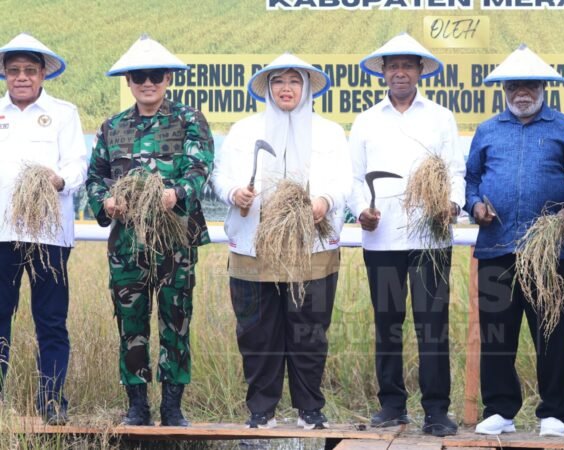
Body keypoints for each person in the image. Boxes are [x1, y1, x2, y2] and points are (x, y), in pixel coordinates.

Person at [211, 53, 351, 430]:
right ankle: (261, 410)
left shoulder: (330, 132)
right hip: (254, 247)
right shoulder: (243, 131)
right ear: (267, 89)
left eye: (293, 81)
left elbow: (343, 181)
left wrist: (324, 201)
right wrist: (234, 194)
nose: (285, 88)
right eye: (277, 81)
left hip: (312, 248)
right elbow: (220, 177)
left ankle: (310, 409)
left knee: (308, 331)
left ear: (306, 88)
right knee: (257, 332)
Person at [85, 35, 213, 427]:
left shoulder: (188, 120)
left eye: (155, 75)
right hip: (127, 244)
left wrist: (178, 193)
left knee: (176, 321)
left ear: (168, 78)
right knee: (131, 325)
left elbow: (200, 167)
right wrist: (105, 202)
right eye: (139, 76)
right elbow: (95, 177)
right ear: (128, 81)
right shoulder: (113, 127)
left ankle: (173, 407)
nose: (148, 82)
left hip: (175, 240)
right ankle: (137, 406)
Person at [348, 33, 465, 437]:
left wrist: (451, 205)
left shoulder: (440, 117)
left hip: (430, 239)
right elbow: (353, 178)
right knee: (387, 323)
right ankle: (392, 405)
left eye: (408, 65)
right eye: (393, 65)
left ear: (419, 72)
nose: (400, 72)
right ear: (383, 72)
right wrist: (361, 210)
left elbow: (456, 171)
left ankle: (436, 410)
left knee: (432, 325)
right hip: (381, 240)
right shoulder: (366, 120)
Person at [465, 44, 564, 437]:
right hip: (497, 247)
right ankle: (500, 409)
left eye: (529, 85)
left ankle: (554, 412)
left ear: (543, 87)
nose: (521, 93)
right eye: (514, 86)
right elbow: (472, 180)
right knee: (497, 332)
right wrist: (475, 205)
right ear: (505, 90)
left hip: (547, 251)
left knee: (550, 329)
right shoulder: (488, 130)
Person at [0, 33, 87, 425]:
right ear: (4, 74)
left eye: (29, 71)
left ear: (42, 75)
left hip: (48, 236)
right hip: (2, 233)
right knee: (0, 315)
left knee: (50, 320)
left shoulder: (64, 113)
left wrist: (58, 179)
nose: (21, 77)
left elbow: (78, 166)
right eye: (14, 70)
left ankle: (51, 402)